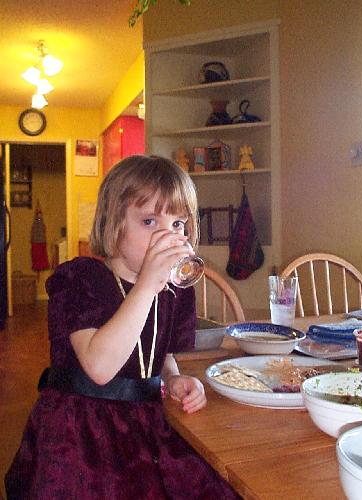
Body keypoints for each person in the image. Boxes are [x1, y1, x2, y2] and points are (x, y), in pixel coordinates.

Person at [5, 155, 240, 500]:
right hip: (82, 428)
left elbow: (162, 353)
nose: (167, 235)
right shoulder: (81, 279)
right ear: (113, 225)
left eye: (178, 224)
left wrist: (173, 378)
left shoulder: (171, 289)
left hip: (146, 421)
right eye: (149, 220)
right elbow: (99, 368)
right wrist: (146, 287)